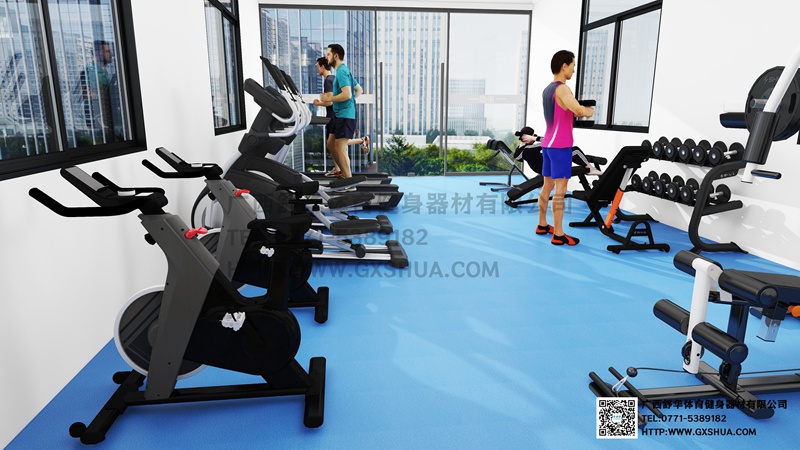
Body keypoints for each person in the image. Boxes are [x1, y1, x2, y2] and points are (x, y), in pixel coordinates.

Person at [537, 50, 594, 246]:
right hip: (560, 146)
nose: (573, 70)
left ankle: (542, 224)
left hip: (547, 144)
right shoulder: (562, 89)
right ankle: (559, 234)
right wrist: (589, 111)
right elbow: (577, 110)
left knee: (547, 186)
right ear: (564, 66)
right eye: (572, 66)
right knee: (560, 190)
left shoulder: (547, 90)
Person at [312, 57, 370, 178]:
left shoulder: (329, 80)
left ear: (322, 66)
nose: (317, 69)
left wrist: (318, 103)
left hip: (334, 116)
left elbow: (330, 101)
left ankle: (345, 175)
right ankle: (341, 170)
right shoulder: (334, 78)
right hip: (338, 115)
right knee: (334, 145)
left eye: (318, 66)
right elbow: (356, 91)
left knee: (338, 146)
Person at [319, 44, 361, 179]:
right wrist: (349, 103)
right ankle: (344, 175)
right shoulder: (343, 71)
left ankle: (349, 181)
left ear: (336, 56)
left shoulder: (342, 72)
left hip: (345, 115)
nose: (326, 57)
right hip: (341, 114)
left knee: (340, 148)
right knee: (331, 144)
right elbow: (358, 90)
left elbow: (347, 94)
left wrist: (330, 98)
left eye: (328, 54)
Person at [514, 126, 601, 176]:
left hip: (544, 168)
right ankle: (590, 169)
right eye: (533, 136)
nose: (534, 138)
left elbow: (517, 157)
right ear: (527, 137)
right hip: (550, 168)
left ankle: (584, 164)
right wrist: (535, 138)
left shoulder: (521, 150)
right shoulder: (530, 148)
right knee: (575, 150)